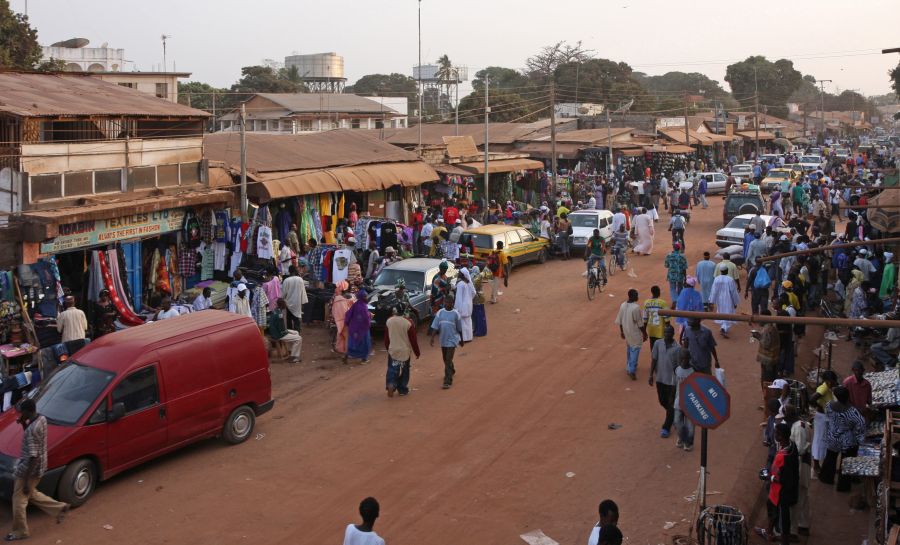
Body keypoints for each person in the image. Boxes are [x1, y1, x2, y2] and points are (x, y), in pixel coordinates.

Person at [6, 399, 69, 541]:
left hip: (29, 469)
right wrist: (23, 423)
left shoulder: (32, 430)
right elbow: (33, 442)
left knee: (18, 501)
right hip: (41, 465)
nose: (21, 414)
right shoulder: (42, 419)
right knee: (32, 494)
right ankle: (60, 508)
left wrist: (27, 481)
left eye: (22, 412)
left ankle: (20, 531)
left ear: (28, 412)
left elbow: (32, 457)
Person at [755, 422, 799, 545]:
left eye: (776, 433)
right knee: (772, 509)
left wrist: (769, 477)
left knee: (783, 518)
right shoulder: (791, 446)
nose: (774, 435)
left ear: (781, 436)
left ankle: (783, 540)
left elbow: (785, 479)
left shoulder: (784, 457)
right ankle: (769, 531)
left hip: (783, 493)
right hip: (778, 491)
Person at [819, 385, 866, 490]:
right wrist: (859, 438)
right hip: (847, 440)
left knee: (830, 458)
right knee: (846, 462)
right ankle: (843, 486)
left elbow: (828, 417)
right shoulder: (852, 412)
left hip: (833, 437)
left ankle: (827, 478)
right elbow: (861, 424)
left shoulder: (829, 406)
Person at [784, 405, 811, 537]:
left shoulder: (799, 427)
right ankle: (802, 524)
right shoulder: (796, 424)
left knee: (798, 497)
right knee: (801, 496)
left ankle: (795, 529)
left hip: (800, 465)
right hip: (798, 464)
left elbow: (799, 449)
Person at [649, 325, 680, 439]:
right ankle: (676, 415)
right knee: (662, 401)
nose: (667, 334)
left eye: (669, 333)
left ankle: (666, 427)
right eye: (665, 332)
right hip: (660, 379)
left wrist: (677, 381)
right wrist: (650, 375)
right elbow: (654, 359)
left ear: (673, 334)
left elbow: (678, 367)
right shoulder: (658, 343)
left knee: (671, 403)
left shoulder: (677, 348)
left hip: (672, 381)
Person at [384, 307, 420, 397]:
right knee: (405, 370)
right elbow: (413, 340)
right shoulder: (409, 323)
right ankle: (402, 389)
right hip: (405, 351)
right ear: (404, 312)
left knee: (392, 369)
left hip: (393, 350)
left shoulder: (389, 321)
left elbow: (386, 338)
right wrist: (417, 352)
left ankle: (391, 384)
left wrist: (388, 348)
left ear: (395, 311)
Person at [430, 296, 464, 389]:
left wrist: (462, 340)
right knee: (445, 359)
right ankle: (451, 370)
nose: (448, 304)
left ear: (452, 303)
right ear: (444, 302)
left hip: (452, 340)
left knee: (448, 359)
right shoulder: (440, 313)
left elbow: (459, 329)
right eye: (446, 302)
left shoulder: (456, 314)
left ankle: (447, 381)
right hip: (443, 340)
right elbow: (435, 326)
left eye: (450, 302)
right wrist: (432, 338)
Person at [615, 289, 647, 381]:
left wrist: (621, 332)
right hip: (634, 332)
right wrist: (645, 333)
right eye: (636, 295)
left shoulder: (622, 305)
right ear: (632, 296)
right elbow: (640, 324)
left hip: (626, 331)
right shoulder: (636, 308)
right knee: (635, 349)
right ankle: (631, 370)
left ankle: (629, 366)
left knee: (629, 348)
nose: (638, 297)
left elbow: (620, 320)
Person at [809, 370, 837, 474]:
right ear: (828, 381)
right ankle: (816, 465)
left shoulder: (828, 388)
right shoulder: (824, 388)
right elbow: (812, 399)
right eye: (833, 381)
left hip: (825, 417)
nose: (834, 383)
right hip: (821, 417)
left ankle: (821, 462)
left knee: (823, 439)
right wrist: (820, 406)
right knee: (818, 440)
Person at [673, 349, 696, 451]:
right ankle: (682, 437)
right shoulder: (677, 370)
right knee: (677, 421)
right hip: (678, 400)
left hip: (691, 401)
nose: (683, 360)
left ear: (689, 359)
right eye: (682, 358)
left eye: (685, 358)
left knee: (690, 424)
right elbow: (675, 385)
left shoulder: (693, 371)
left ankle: (688, 443)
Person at [708, 265, 740, 338]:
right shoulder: (730, 279)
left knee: (722, 312)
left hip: (720, 299)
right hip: (728, 299)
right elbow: (733, 292)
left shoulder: (716, 279)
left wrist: (712, 301)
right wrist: (735, 302)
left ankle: (723, 327)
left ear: (721, 271)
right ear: (727, 271)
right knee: (728, 313)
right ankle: (723, 328)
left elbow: (714, 291)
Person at [269, 298, 302, 364]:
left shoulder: (276, 310)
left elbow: (280, 327)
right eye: (285, 304)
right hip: (279, 334)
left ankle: (292, 352)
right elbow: (282, 330)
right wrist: (287, 332)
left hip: (276, 332)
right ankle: (294, 357)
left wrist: (288, 331)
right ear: (282, 305)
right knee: (299, 339)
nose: (286, 305)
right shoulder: (279, 315)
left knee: (296, 333)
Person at [344, 289, 373, 365]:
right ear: (362, 297)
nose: (367, 297)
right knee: (365, 344)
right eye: (366, 296)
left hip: (354, 329)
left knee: (353, 343)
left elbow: (348, 314)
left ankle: (348, 355)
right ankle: (364, 359)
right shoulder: (364, 307)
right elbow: (366, 319)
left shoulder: (355, 304)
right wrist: (370, 316)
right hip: (363, 329)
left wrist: (347, 323)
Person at [282, 265, 308, 331]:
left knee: (289, 319)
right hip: (297, 302)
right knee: (297, 319)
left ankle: (290, 332)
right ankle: (297, 333)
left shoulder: (286, 280)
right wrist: (303, 303)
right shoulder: (300, 279)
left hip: (288, 303)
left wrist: (282, 300)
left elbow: (283, 294)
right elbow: (303, 292)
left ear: (289, 271)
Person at [331, 281, 354, 355]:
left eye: (337, 287)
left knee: (345, 337)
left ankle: (346, 353)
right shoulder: (350, 297)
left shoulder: (338, 299)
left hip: (342, 321)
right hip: (347, 320)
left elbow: (338, 312)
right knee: (346, 337)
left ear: (340, 289)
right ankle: (347, 352)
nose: (336, 288)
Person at [642, 285, 668, 351]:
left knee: (653, 349)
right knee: (661, 350)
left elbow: (645, 319)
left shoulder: (646, 303)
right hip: (660, 331)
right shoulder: (662, 303)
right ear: (659, 292)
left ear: (652, 292)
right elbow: (667, 320)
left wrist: (644, 332)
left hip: (651, 330)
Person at [454, 268, 476, 343]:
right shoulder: (469, 283)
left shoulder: (460, 284)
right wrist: (469, 300)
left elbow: (458, 298)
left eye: (459, 272)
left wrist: (457, 308)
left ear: (462, 274)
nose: (458, 273)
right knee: (468, 321)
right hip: (469, 305)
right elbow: (474, 293)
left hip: (462, 306)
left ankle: (463, 338)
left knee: (462, 322)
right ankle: (469, 337)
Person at [470, 266, 488, 337]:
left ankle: (479, 331)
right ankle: (481, 330)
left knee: (478, 316)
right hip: (481, 297)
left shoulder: (475, 278)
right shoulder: (479, 276)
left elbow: (473, 289)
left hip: (477, 298)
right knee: (481, 315)